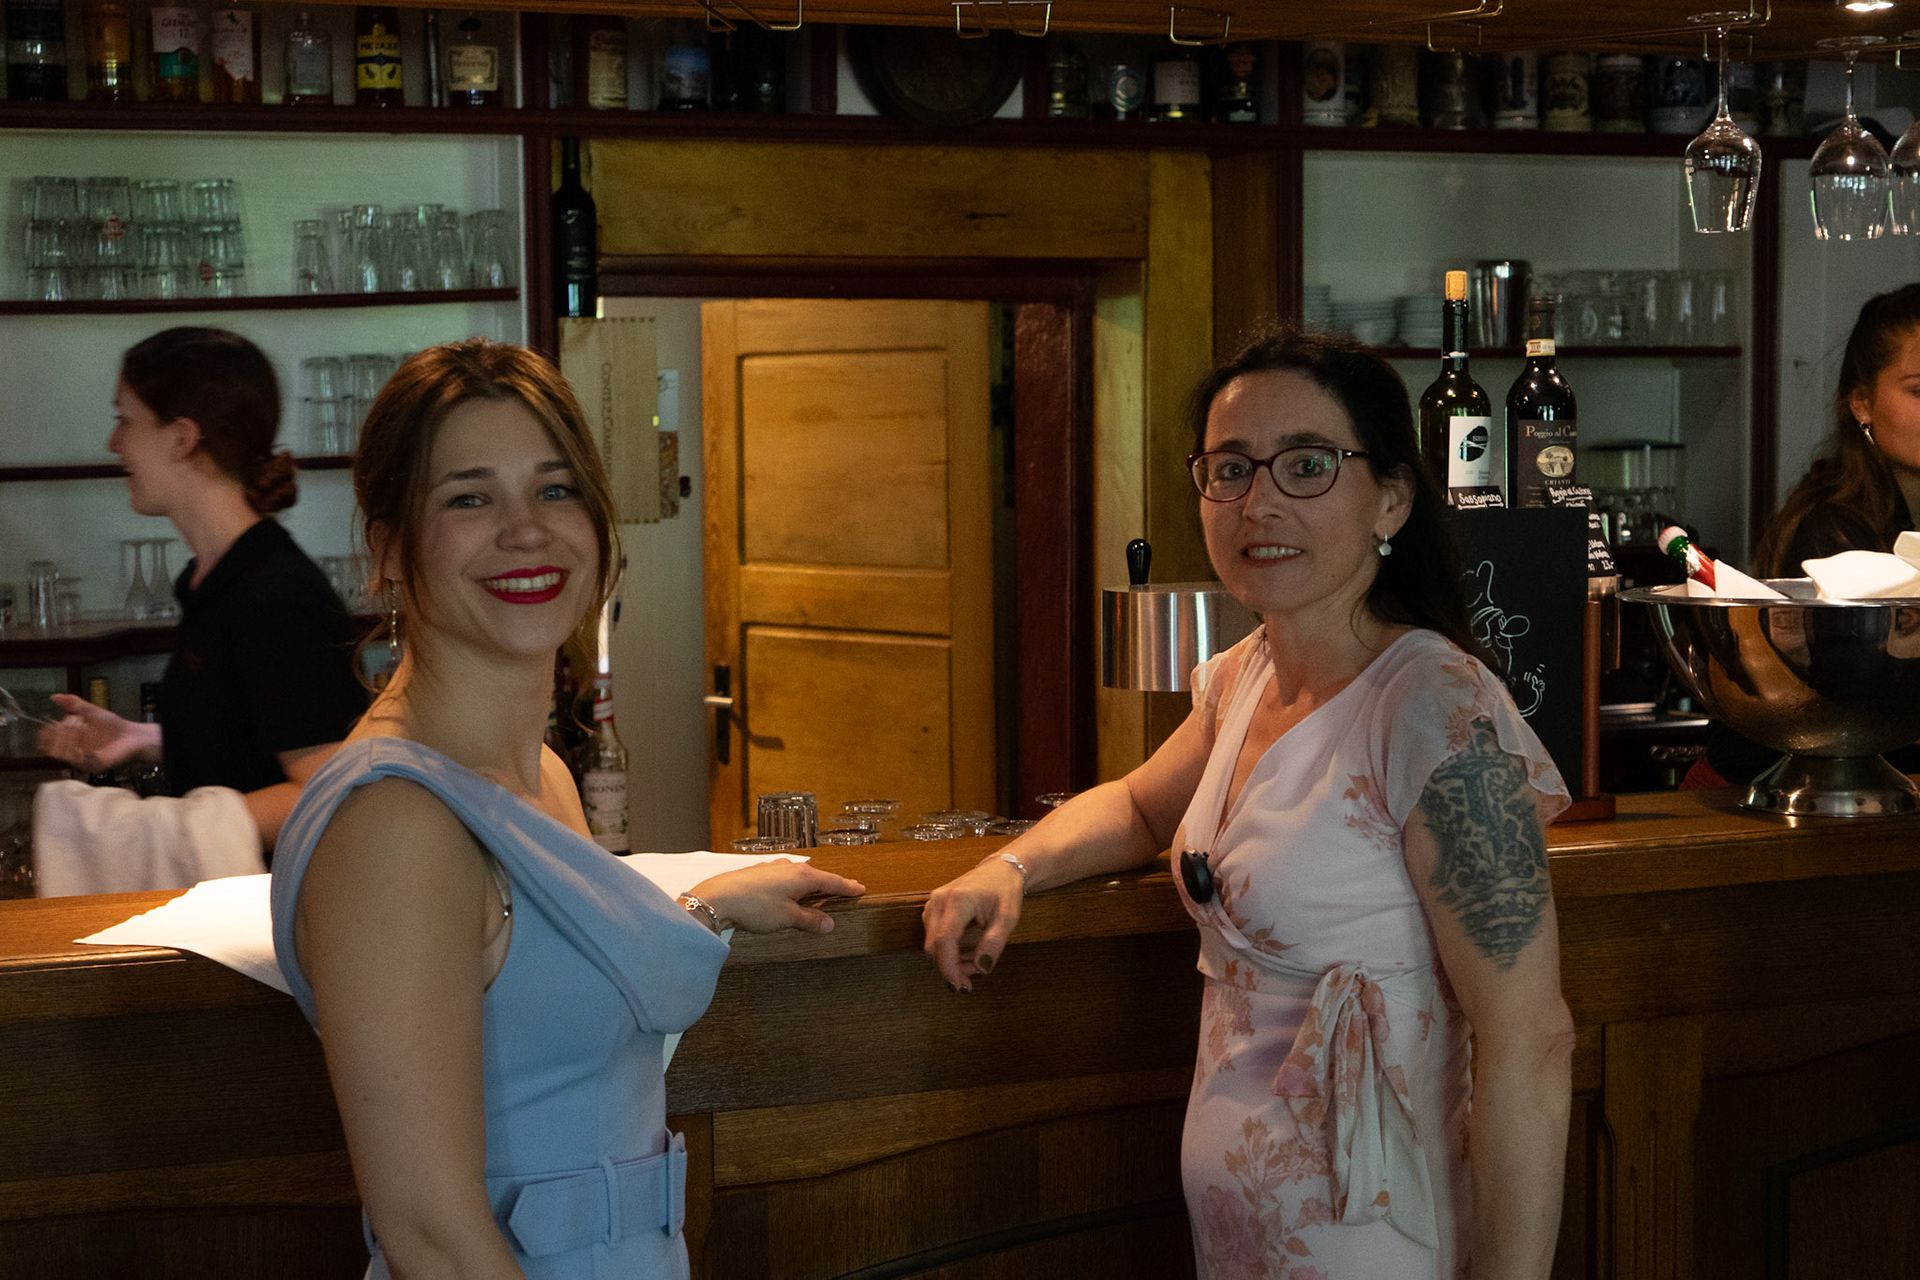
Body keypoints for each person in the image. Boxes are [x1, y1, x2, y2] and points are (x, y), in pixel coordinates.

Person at [923, 329, 1575, 1280]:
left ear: (1392, 498)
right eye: (1230, 469)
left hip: (1375, 1233)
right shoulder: (1246, 674)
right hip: (1244, 1236)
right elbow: (1140, 810)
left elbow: (1531, 1039)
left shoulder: (1436, 712)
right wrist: (1010, 866)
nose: (1259, 502)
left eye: (1307, 466)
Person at [268, 338, 864, 1280]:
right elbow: (433, 1240)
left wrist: (704, 908)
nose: (526, 531)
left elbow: (537, 979)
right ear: (386, 549)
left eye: (555, 489)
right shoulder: (396, 824)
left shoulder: (539, 772)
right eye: (468, 499)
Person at [36, 326, 367, 852]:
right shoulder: (212, 579)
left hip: (281, 900)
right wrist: (141, 738)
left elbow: (329, 793)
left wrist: (156, 827)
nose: (113, 444)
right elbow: (251, 740)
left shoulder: (274, 597)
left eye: (126, 421)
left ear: (182, 438)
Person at [1697, 283, 1920, 788]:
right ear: (1862, 403)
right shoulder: (1833, 532)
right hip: (1765, 798)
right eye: (1919, 390)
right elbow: (1858, 715)